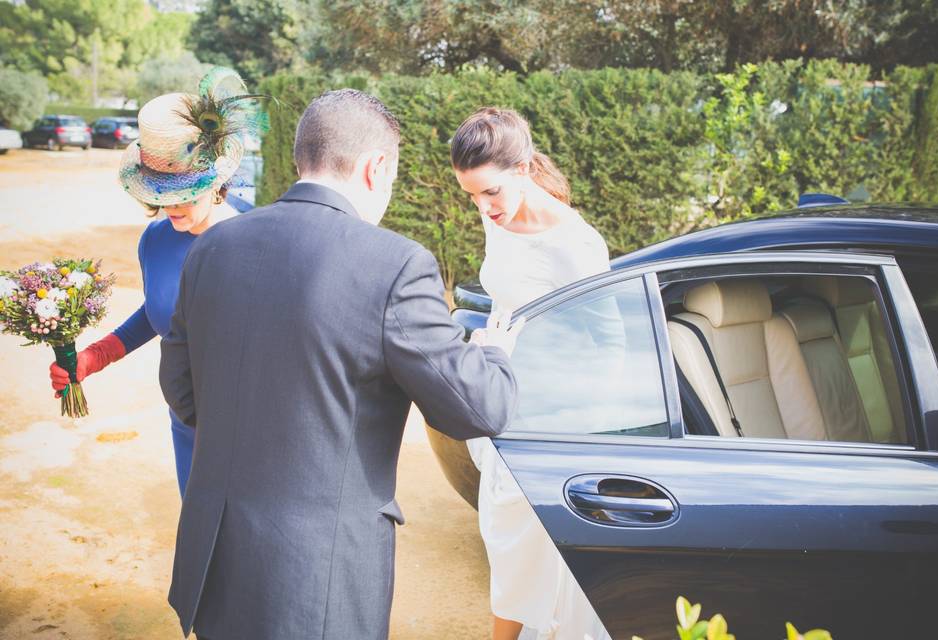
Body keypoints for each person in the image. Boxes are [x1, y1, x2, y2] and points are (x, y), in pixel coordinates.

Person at [158, 89, 525, 640]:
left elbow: (181, 392)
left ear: (303, 158)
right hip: (317, 580)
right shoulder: (395, 266)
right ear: (376, 168)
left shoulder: (213, 247)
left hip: (218, 558)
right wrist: (494, 350)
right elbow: (480, 407)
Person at [48, 67, 257, 497]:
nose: (171, 207)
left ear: (216, 180)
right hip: (189, 425)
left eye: (184, 192)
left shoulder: (262, 236)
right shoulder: (157, 242)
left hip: (256, 428)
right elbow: (159, 313)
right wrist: (95, 356)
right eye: (160, 194)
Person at [451, 107, 613, 640]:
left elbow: (611, 344)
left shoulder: (574, 245)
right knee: (507, 538)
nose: (482, 207)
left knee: (519, 540)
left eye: (490, 192)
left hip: (556, 414)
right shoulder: (498, 208)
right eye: (471, 195)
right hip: (505, 390)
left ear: (522, 170)